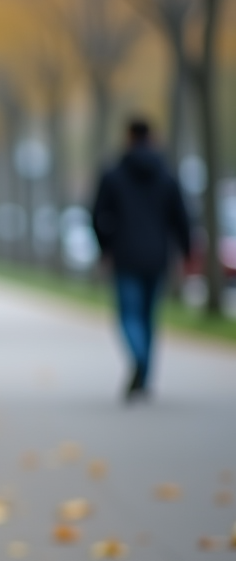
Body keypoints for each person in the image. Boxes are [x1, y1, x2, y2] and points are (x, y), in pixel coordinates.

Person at [91, 117, 191, 403]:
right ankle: (145, 376)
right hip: (158, 255)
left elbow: (98, 216)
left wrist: (105, 247)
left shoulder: (112, 175)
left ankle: (138, 359)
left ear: (128, 137)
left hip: (124, 255)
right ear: (152, 137)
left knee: (128, 316)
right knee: (148, 318)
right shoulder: (167, 176)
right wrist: (185, 252)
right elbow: (181, 218)